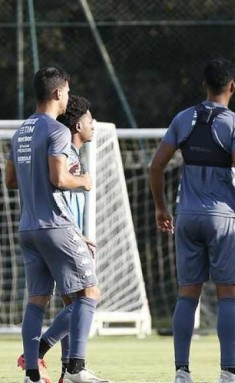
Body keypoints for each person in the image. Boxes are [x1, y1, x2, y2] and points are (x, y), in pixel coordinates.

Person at [149, 58, 235, 383]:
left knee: (187, 295)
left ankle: (181, 372)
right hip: (223, 219)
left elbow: (156, 166)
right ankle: (228, 373)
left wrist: (162, 208)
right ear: (232, 86)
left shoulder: (183, 119)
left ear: (204, 85)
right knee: (228, 295)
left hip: (187, 217)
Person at [6, 68, 107, 383]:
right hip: (55, 226)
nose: (67, 97)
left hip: (28, 228)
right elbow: (59, 178)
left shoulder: (19, 132)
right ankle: (75, 369)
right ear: (57, 93)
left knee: (36, 301)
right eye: (66, 91)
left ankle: (33, 376)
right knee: (88, 293)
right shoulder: (57, 131)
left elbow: (10, 181)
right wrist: (85, 182)